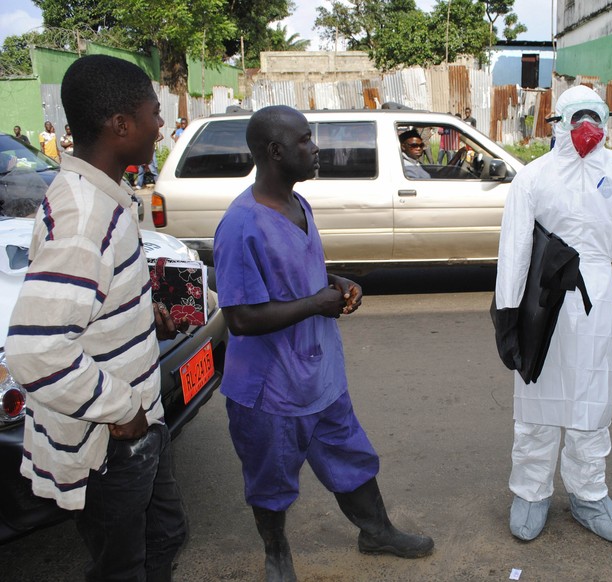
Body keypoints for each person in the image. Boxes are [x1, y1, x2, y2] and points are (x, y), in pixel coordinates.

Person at [213, 105, 434, 581]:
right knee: (270, 482)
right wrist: (317, 303)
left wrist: (337, 281)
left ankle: (376, 532)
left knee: (352, 457)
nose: (316, 149)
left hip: (319, 374)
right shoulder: (240, 225)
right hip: (269, 389)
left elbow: (302, 273)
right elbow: (242, 318)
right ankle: (277, 557)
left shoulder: (298, 205)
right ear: (275, 152)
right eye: (305, 141)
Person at [4, 54, 187, 580]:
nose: (160, 125)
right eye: (154, 112)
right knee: (122, 565)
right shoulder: (86, 217)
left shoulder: (105, 200)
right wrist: (120, 409)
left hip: (138, 425)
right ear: (121, 125)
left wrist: (141, 316)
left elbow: (88, 305)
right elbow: (37, 350)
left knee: (166, 535)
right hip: (111, 441)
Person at [493, 85, 612, 543]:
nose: (587, 129)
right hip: (541, 301)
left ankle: (588, 494)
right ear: (558, 123)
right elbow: (515, 251)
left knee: (593, 399)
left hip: (598, 296)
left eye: (595, 118)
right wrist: (506, 316)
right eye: (577, 118)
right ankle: (530, 491)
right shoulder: (533, 178)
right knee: (537, 400)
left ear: (607, 122)